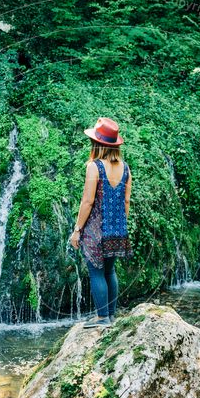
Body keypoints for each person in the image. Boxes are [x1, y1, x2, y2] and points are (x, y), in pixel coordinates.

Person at [69, 117, 133, 328]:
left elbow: (87, 201)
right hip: (118, 229)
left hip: (96, 229)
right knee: (110, 271)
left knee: (96, 271)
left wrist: (78, 230)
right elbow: (126, 201)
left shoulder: (94, 167)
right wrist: (119, 224)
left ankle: (102, 317)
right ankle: (111, 314)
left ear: (97, 144)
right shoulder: (126, 168)